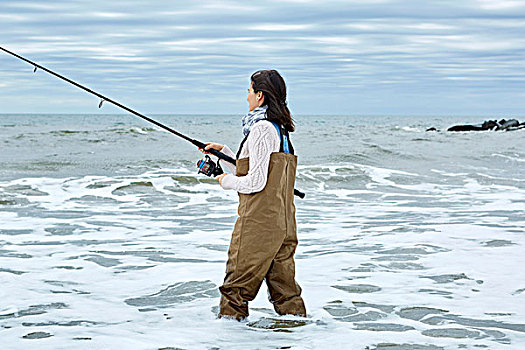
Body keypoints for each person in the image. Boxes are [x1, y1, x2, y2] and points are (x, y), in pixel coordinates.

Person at [201, 70, 306, 321]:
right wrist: (223, 152)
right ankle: (300, 337)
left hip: (258, 224)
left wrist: (224, 181)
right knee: (286, 292)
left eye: (249, 90)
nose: (246, 96)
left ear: (259, 96)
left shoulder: (260, 130)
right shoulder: (280, 130)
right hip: (284, 223)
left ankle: (229, 341)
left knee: (234, 291)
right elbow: (261, 172)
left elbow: (255, 182)